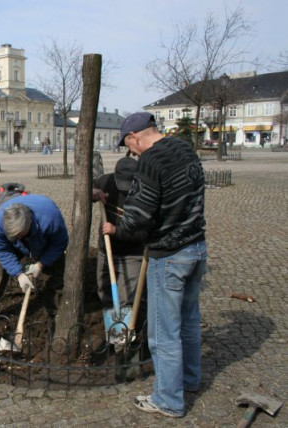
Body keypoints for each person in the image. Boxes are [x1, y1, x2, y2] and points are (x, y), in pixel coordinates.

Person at [104, 112, 207, 418]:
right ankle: (190, 380)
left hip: (169, 254)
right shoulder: (185, 147)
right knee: (189, 321)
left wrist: (119, 227)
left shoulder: (150, 161)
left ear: (134, 137)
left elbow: (137, 218)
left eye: (128, 146)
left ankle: (168, 400)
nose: (130, 152)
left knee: (164, 333)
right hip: (197, 247)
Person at [0, 194, 69, 332]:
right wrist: (19, 274)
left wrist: (41, 264)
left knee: (56, 272)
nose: (19, 238)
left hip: (44, 240)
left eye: (21, 234)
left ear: (30, 223)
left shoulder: (50, 219)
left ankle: (56, 314)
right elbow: (2, 250)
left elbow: (60, 243)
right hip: (15, 243)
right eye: (15, 236)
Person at [92, 155, 146, 315]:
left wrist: (116, 230)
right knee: (104, 289)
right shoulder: (107, 181)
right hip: (106, 249)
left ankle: (126, 330)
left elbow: (143, 234)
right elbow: (89, 185)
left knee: (128, 295)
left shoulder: (145, 194)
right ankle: (111, 324)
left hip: (132, 253)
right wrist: (94, 192)